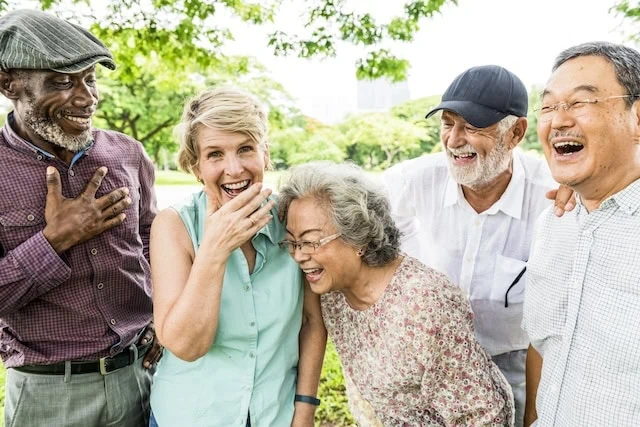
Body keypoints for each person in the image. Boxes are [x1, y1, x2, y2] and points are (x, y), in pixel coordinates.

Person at [0, 9, 160, 427]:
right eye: (62, 81)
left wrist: (163, 320)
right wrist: (54, 242)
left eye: (90, 79)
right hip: (47, 394)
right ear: (8, 84)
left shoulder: (128, 154)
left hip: (141, 376)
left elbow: (155, 249)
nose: (87, 97)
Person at [381, 65, 563, 427]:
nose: (454, 139)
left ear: (515, 134)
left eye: (473, 126)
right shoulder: (413, 180)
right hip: (429, 361)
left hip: (514, 362)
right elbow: (356, 220)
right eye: (448, 123)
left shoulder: (553, 196)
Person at [279, 161, 515, 426]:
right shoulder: (332, 291)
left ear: (357, 238)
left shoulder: (423, 305)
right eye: (293, 242)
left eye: (311, 241)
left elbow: (485, 415)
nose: (299, 255)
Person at [149, 87, 327, 426]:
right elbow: (186, 346)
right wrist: (214, 248)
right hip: (190, 416)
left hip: (275, 415)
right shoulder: (174, 225)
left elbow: (311, 323)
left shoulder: (291, 219)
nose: (234, 169)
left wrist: (304, 411)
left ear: (265, 154)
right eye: (215, 154)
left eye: (245, 149)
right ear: (195, 165)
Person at [522, 42, 640, 427]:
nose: (558, 120)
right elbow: (543, 345)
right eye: (548, 106)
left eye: (580, 102)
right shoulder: (554, 222)